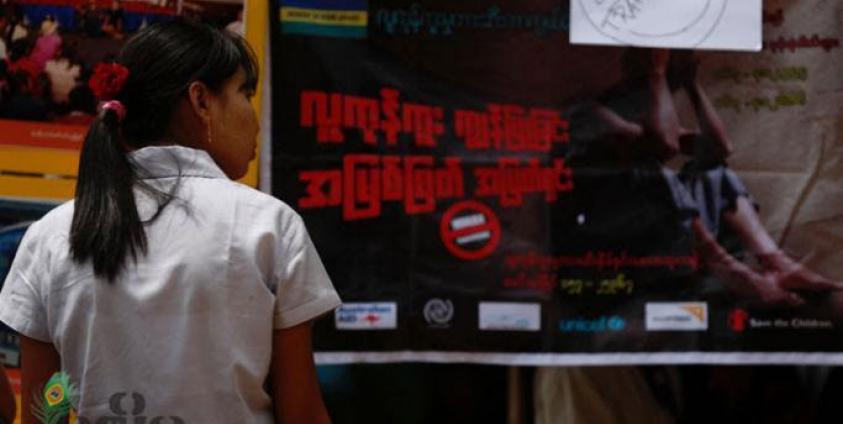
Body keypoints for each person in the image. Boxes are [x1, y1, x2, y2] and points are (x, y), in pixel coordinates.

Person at [0, 20, 340, 423]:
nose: (253, 115)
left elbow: (47, 415)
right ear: (200, 100)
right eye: (244, 93)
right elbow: (300, 414)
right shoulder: (268, 226)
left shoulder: (49, 237)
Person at [573, 48, 841, 306]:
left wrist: (692, 84)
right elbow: (664, 145)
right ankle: (721, 263)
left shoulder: (646, 110)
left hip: (660, 234)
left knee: (712, 172)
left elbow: (718, 147)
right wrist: (656, 74)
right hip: (617, 235)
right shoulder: (593, 110)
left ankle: (775, 261)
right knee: (654, 172)